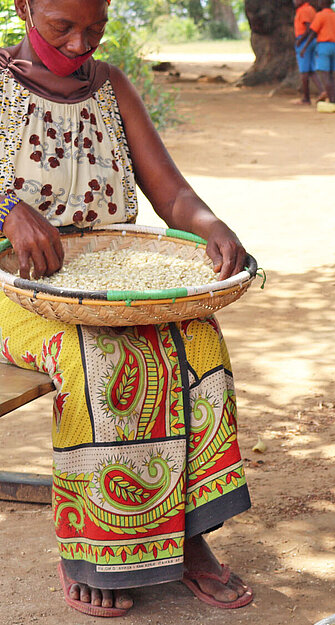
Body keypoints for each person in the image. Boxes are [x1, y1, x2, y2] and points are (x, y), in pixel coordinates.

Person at [1, 0, 253, 617]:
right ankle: (91, 547)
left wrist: (209, 224)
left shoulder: (111, 87)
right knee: (101, 359)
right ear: (25, 5)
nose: (82, 42)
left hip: (107, 276)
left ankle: (188, 537)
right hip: (13, 288)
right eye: (63, 25)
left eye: (96, 27)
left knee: (197, 344)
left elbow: (167, 188)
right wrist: (5, 210)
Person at [307, 0, 335, 107]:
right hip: (333, 46)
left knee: (325, 74)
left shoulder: (320, 16)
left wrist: (304, 47)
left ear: (324, 2)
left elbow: (313, 33)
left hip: (323, 46)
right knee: (331, 75)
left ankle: (331, 99)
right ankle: (334, 99)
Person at [294, 0, 325, 104]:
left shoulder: (304, 10)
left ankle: (306, 98)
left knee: (304, 71)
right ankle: (322, 91)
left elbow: (308, 28)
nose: (294, 1)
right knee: (311, 70)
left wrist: (300, 41)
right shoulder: (311, 9)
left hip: (304, 40)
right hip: (312, 40)